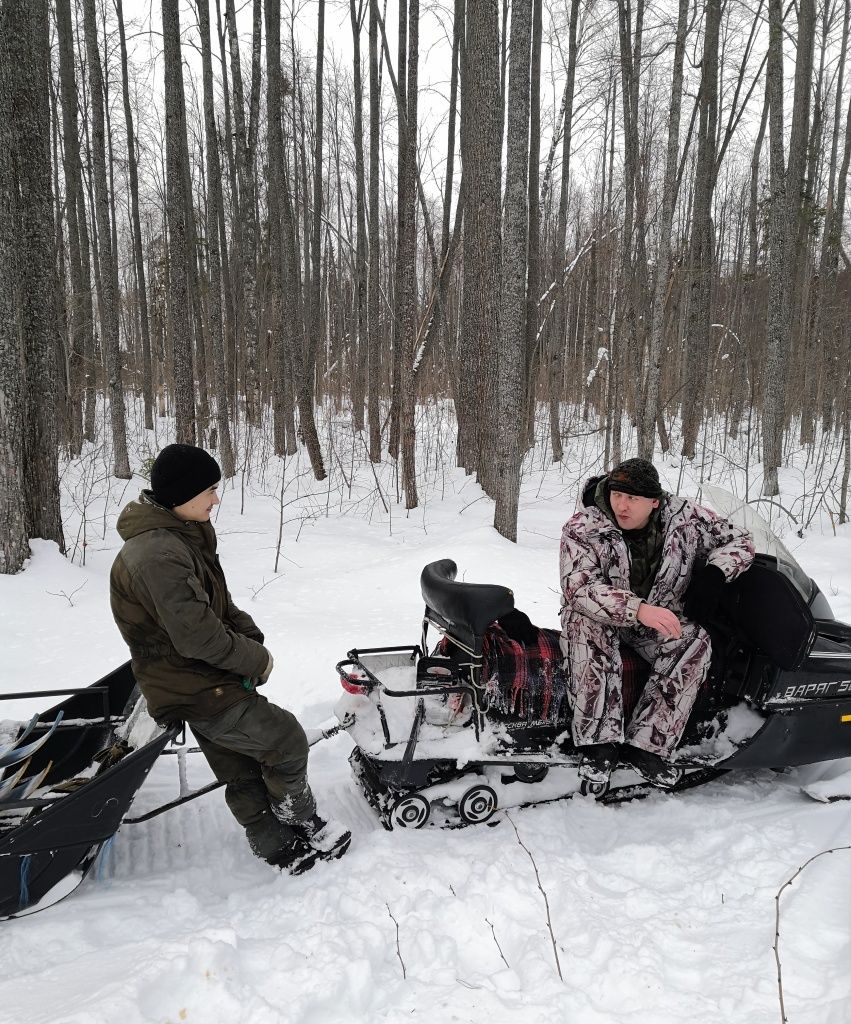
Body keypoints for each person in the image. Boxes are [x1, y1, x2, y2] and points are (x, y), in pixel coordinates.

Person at [110, 443, 350, 873]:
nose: (216, 500)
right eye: (210, 491)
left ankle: (272, 841)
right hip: (190, 682)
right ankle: (294, 817)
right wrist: (256, 661)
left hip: (193, 673)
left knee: (239, 762)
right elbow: (198, 637)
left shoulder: (179, 533)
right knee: (286, 740)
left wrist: (248, 634)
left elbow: (214, 605)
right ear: (182, 495)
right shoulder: (158, 554)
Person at [559, 458, 755, 788]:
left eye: (632, 499)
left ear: (654, 501)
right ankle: (598, 744)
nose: (621, 505)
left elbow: (742, 540)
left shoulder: (685, 518)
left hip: (654, 618)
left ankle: (647, 746)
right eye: (616, 494)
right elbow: (580, 588)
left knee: (693, 639)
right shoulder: (583, 526)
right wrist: (637, 609)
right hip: (600, 616)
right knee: (586, 625)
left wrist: (715, 573)